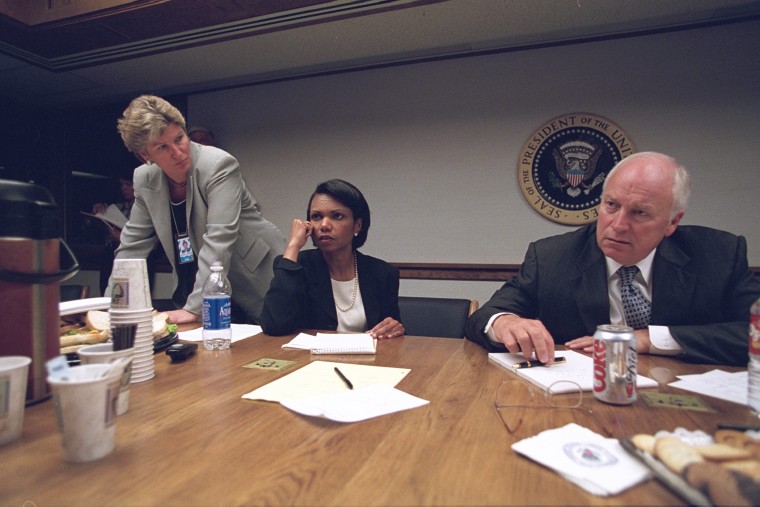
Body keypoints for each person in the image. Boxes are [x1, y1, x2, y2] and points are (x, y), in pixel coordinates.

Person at [465, 151, 760, 366]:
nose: (618, 225)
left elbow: (752, 334)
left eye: (640, 212)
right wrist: (504, 322)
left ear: (672, 222)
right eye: (611, 205)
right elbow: (486, 315)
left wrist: (646, 339)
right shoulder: (552, 257)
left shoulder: (718, 255)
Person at [111, 95, 286, 324]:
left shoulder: (218, 164)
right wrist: (113, 309)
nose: (178, 152)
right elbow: (132, 248)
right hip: (201, 280)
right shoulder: (144, 178)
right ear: (146, 155)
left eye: (179, 138)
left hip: (254, 272)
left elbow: (219, 239)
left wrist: (195, 308)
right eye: (163, 147)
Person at [260, 179, 405, 339]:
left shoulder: (382, 273)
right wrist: (293, 245)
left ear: (357, 225)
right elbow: (274, 325)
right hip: (308, 360)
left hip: (367, 361)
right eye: (316, 217)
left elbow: (392, 330)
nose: (324, 225)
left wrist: (394, 328)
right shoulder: (296, 267)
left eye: (337, 216)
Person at [91, 171, 135, 294]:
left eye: (128, 184)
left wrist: (121, 238)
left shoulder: (144, 210)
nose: (124, 188)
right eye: (122, 185)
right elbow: (97, 232)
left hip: (131, 258)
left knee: (125, 297)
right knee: (107, 293)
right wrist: (98, 214)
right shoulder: (116, 207)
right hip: (110, 254)